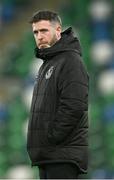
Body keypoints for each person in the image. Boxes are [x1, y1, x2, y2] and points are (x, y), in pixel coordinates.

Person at [27, 10, 89, 179]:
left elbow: (74, 106)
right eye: (36, 32)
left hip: (62, 155)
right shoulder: (47, 64)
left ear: (58, 30)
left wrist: (51, 137)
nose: (39, 36)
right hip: (49, 155)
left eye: (44, 30)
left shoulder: (70, 61)